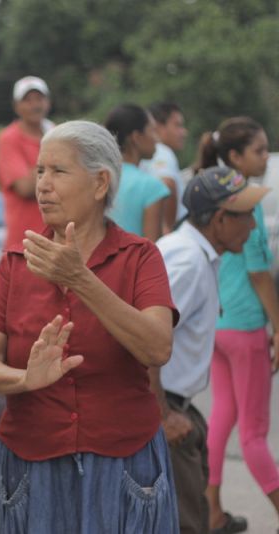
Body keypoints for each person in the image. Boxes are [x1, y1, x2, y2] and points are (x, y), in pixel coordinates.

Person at [0, 120, 180, 533]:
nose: (43, 184)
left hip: (125, 460)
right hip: (31, 462)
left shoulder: (141, 258)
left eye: (58, 171)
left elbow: (157, 349)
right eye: (40, 171)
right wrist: (25, 379)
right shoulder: (16, 262)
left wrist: (82, 280)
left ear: (100, 183)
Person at [153, 166, 267, 534]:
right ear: (219, 219)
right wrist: (163, 414)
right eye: (246, 215)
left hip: (172, 403)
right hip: (159, 407)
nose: (252, 226)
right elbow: (141, 340)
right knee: (185, 524)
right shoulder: (187, 261)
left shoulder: (192, 252)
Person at [195, 117, 279, 533]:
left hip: (219, 325)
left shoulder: (213, 197)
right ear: (234, 157)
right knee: (255, 434)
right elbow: (259, 273)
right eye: (259, 150)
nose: (265, 156)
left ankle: (211, 513)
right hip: (245, 328)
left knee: (224, 418)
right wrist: (278, 327)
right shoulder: (245, 202)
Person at [0, 75, 52, 250]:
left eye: (39, 99)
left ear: (48, 102)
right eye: (27, 100)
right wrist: (54, 160)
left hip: (55, 238)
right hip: (24, 241)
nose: (35, 105)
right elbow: (25, 187)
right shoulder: (9, 139)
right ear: (16, 107)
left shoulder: (54, 132)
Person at [104, 103, 170, 241]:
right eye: (152, 131)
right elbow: (152, 249)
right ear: (136, 137)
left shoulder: (98, 178)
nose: (157, 139)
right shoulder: (151, 187)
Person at [141, 102, 189, 232]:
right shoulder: (162, 151)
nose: (184, 132)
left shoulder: (148, 155)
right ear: (158, 126)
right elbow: (167, 183)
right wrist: (168, 228)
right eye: (177, 125)